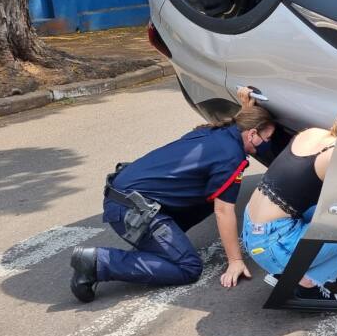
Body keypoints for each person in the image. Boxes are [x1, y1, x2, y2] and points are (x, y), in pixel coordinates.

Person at [69, 88, 276, 303]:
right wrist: (235, 261)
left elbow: (242, 124)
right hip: (131, 209)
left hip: (126, 196)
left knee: (212, 196)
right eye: (267, 138)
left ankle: (160, 244)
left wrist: (246, 109)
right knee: (188, 267)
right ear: (252, 134)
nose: (268, 143)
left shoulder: (215, 132)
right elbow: (224, 211)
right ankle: (97, 262)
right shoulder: (231, 157)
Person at [242, 110, 337, 300]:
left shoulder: (312, 133)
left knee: (326, 207)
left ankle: (285, 272)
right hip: (275, 246)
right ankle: (307, 281)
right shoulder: (336, 156)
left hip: (251, 231)